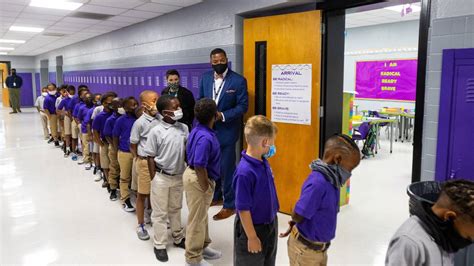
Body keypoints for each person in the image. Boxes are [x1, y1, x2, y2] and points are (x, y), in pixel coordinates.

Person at [280, 134, 361, 266]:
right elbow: (297, 215)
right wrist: (295, 221)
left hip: (319, 250)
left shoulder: (331, 181)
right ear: (337, 159)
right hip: (305, 252)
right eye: (350, 168)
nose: (349, 173)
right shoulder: (319, 183)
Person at [199, 48, 249, 221]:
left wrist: (222, 115)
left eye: (221, 61)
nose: (218, 64)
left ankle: (230, 205)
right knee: (213, 166)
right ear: (211, 62)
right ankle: (217, 196)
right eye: (215, 61)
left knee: (227, 169)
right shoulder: (205, 78)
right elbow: (200, 99)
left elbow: (243, 106)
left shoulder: (238, 80)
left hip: (227, 131)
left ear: (226, 60)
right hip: (209, 130)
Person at [385, 179, 474, 266]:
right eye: (468, 237)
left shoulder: (445, 236)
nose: (467, 241)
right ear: (449, 217)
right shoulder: (409, 243)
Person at [144, 95, 187, 262]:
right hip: (161, 177)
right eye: (175, 108)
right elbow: (150, 156)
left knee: (176, 208)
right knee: (160, 212)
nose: (179, 110)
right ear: (165, 112)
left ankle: (178, 237)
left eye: (179, 106)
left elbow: (187, 150)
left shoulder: (184, 128)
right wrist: (154, 177)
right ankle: (160, 244)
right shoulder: (156, 131)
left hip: (178, 175)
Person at [233, 115, 279, 266]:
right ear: (265, 142)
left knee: (268, 261)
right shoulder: (244, 172)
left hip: (270, 225)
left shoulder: (263, 160)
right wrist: (252, 237)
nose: (273, 146)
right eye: (272, 143)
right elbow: (243, 208)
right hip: (252, 229)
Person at [183, 98, 222, 266]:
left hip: (195, 176)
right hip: (199, 179)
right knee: (196, 220)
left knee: (201, 216)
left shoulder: (197, 128)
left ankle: (203, 246)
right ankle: (193, 258)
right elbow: (200, 165)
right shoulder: (205, 137)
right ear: (215, 115)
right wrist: (205, 187)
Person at [130, 90, 159, 241]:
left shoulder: (160, 119)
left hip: (158, 162)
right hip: (144, 162)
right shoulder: (139, 123)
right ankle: (140, 224)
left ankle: (155, 217)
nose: (157, 103)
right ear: (144, 105)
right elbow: (133, 144)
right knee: (142, 194)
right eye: (154, 100)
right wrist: (138, 159)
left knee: (156, 193)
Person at [113, 96, 138, 212]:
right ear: (125, 107)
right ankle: (125, 199)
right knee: (125, 177)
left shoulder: (139, 118)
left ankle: (138, 197)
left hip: (138, 153)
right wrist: (116, 149)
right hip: (125, 152)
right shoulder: (121, 120)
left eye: (136, 104)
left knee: (136, 178)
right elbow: (115, 136)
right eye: (132, 105)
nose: (135, 107)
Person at [92, 92, 117, 188]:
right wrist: (100, 144)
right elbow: (95, 131)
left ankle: (113, 181)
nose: (110, 105)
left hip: (116, 144)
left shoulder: (117, 115)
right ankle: (108, 181)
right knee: (106, 164)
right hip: (105, 143)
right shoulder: (100, 116)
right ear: (103, 103)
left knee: (114, 165)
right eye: (108, 103)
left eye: (112, 103)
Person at [103, 98, 124, 201]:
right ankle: (113, 189)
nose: (121, 107)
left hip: (124, 148)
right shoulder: (110, 119)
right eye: (119, 105)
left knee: (123, 169)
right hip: (114, 147)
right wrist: (115, 147)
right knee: (114, 168)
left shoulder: (126, 117)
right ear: (113, 107)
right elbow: (107, 135)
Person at [68, 85, 89, 160]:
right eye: (84, 94)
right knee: (74, 137)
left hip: (84, 124)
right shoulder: (76, 102)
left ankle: (84, 154)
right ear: (80, 95)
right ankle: (74, 152)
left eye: (87, 94)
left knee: (83, 139)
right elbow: (71, 111)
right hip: (76, 121)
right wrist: (75, 121)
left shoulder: (90, 103)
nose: (86, 96)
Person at [78, 92, 96, 172]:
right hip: (85, 129)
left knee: (93, 147)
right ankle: (87, 160)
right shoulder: (82, 108)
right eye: (87, 98)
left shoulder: (95, 108)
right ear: (84, 99)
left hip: (94, 130)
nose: (88, 99)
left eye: (90, 98)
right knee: (86, 146)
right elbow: (79, 118)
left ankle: (93, 161)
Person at [57, 85, 75, 157]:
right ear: (67, 92)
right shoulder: (64, 100)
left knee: (74, 135)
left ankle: (74, 149)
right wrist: (64, 113)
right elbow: (58, 110)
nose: (72, 94)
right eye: (70, 92)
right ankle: (67, 149)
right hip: (67, 117)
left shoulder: (76, 99)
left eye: (73, 92)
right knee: (67, 133)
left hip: (75, 117)